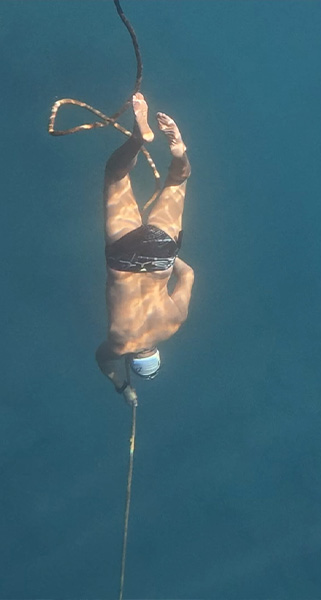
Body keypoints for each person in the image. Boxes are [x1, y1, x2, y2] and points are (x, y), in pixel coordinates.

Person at [95, 93, 195, 406]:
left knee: (177, 183)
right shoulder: (118, 344)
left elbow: (189, 274)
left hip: (161, 256)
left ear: (157, 354)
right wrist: (123, 388)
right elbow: (103, 361)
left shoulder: (173, 324)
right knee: (115, 175)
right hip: (123, 259)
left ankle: (179, 153)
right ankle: (137, 139)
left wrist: (171, 259)